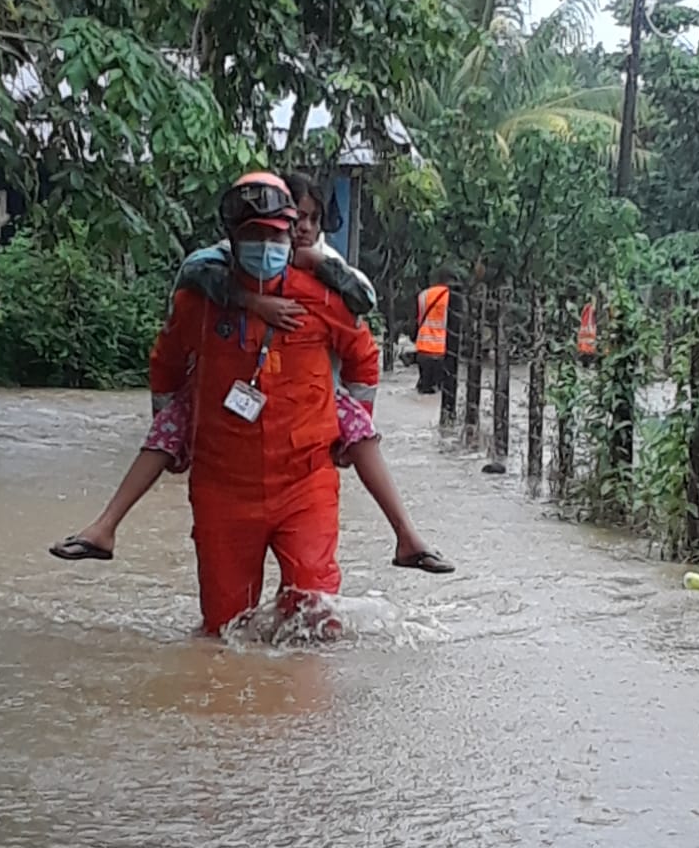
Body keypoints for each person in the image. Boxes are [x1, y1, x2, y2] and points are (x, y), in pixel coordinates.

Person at [50, 172, 454, 580]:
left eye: (285, 232)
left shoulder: (326, 282)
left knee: (359, 439)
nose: (271, 246)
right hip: (222, 459)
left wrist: (356, 413)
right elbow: (169, 355)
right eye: (254, 235)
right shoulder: (207, 284)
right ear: (234, 236)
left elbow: (363, 335)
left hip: (309, 441)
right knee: (167, 432)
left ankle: (405, 533)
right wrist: (248, 302)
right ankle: (105, 527)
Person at [414, 276, 450, 393]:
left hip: (423, 347)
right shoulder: (452, 297)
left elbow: (418, 318)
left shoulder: (423, 295)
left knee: (424, 387)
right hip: (442, 349)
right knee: (440, 391)